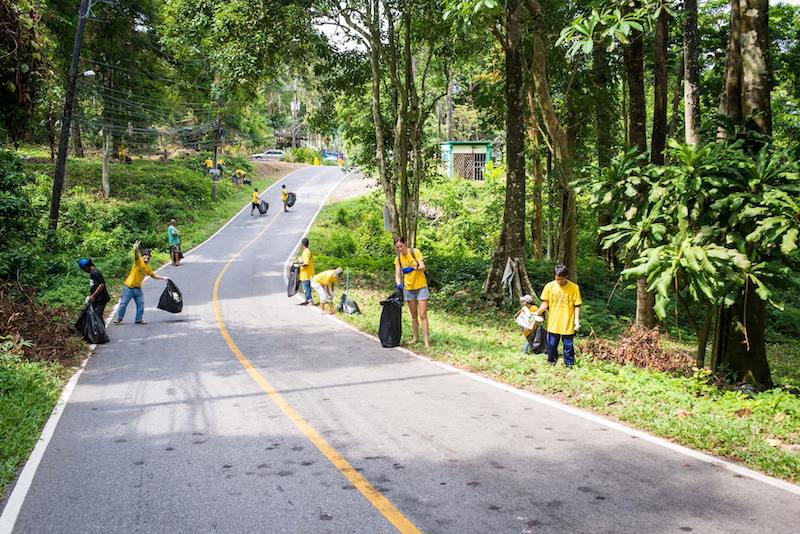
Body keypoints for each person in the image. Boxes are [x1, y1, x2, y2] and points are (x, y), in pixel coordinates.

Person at [533, 264, 582, 367]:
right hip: (553, 322)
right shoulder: (549, 286)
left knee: (568, 346)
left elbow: (577, 306)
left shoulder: (574, 288)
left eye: (562, 279)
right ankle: (551, 363)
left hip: (567, 322)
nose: (559, 281)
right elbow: (546, 303)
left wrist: (576, 321)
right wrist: (537, 312)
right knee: (551, 345)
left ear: (566, 276)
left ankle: (569, 365)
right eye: (557, 279)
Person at [113, 241, 168, 325]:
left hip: (138, 289)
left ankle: (138, 319)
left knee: (141, 304)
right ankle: (119, 318)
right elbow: (136, 256)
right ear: (142, 256)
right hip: (129, 287)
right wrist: (136, 249)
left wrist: (163, 278)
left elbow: (153, 275)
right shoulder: (139, 262)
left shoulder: (147, 267)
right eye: (145, 255)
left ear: (150, 257)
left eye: (148, 256)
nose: (147, 257)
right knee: (123, 304)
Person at [394, 236, 430, 348]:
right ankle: (415, 337)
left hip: (421, 286)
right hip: (409, 288)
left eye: (401, 246)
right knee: (413, 315)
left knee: (423, 314)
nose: (400, 249)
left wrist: (413, 269)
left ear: (405, 244)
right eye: (397, 247)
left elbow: (423, 267)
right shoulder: (398, 259)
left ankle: (426, 341)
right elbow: (397, 275)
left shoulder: (415, 252)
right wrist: (399, 284)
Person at [297, 237, 315, 305]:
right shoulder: (306, 251)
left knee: (306, 288)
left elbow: (306, 263)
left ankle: (310, 300)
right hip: (306, 273)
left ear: (302, 244)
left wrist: (299, 265)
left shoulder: (306, 252)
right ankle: (307, 300)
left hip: (306, 274)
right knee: (306, 288)